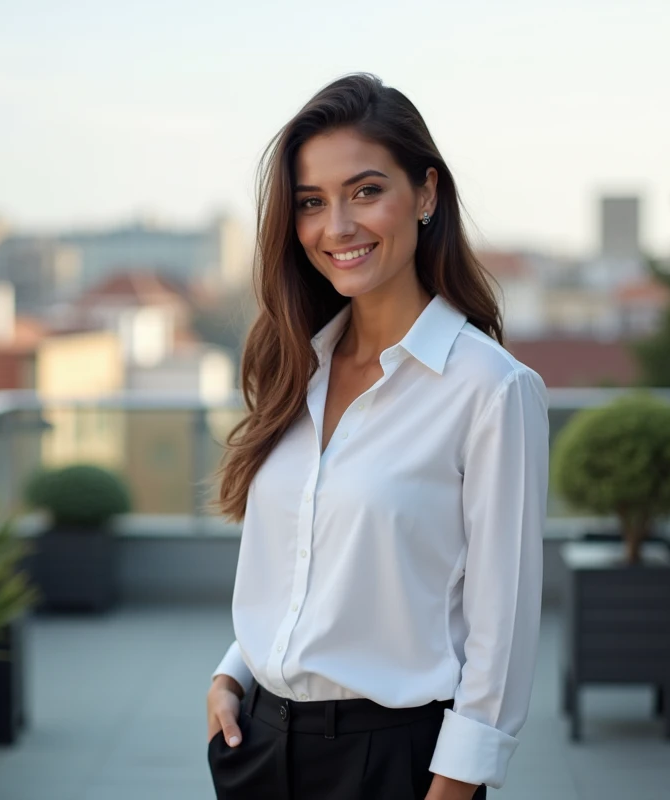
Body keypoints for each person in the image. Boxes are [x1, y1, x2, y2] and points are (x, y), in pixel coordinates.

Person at [204, 73, 549, 800]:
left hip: (393, 765)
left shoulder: (490, 389)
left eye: (365, 191)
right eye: (311, 202)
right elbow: (300, 562)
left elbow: (503, 628)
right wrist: (233, 671)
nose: (337, 227)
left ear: (425, 194)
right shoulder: (296, 366)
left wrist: (454, 787)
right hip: (259, 750)